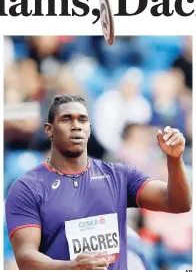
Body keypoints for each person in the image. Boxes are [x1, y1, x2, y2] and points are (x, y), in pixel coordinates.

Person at [5, 94, 192, 270]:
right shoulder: (27, 188)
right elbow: (25, 257)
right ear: (49, 130)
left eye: (82, 119)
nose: (76, 125)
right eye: (67, 119)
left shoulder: (118, 175)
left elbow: (178, 203)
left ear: (89, 128)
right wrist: (71, 267)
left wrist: (174, 160)